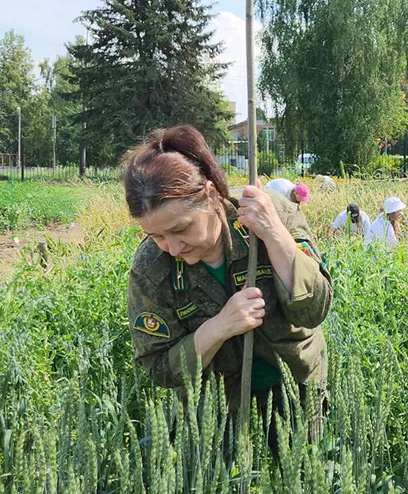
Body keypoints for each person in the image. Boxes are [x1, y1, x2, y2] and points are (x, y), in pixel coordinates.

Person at [123, 125, 332, 430]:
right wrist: (219, 327)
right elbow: (160, 369)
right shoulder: (151, 269)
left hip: (297, 392)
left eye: (181, 229)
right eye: (156, 236)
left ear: (209, 196)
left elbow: (314, 309)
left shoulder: (268, 213)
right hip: (217, 413)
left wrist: (273, 234)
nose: (173, 247)